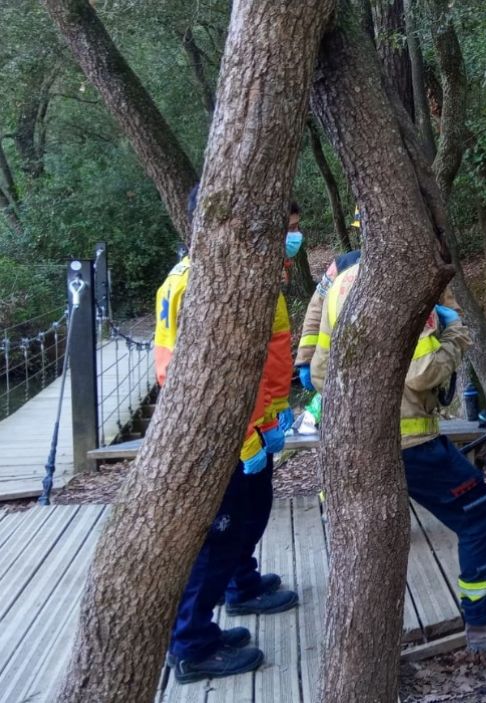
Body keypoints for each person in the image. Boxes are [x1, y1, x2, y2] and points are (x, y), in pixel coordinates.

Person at [310, 265, 486, 651]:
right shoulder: (408, 279)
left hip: (353, 438)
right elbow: (423, 375)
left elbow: (320, 371)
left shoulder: (341, 284)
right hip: (410, 442)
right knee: (477, 512)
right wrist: (457, 337)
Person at [158, 188, 300, 683]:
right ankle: (191, 645)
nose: (290, 241)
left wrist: (275, 415)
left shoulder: (254, 277)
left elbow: (270, 356)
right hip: (218, 442)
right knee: (217, 537)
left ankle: (241, 587)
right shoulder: (194, 283)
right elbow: (193, 378)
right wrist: (243, 438)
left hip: (254, 429)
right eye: (283, 230)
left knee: (250, 517)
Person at [294, 210, 361, 394]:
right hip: (341, 364)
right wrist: (306, 359)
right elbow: (316, 308)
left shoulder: (413, 264)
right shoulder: (343, 264)